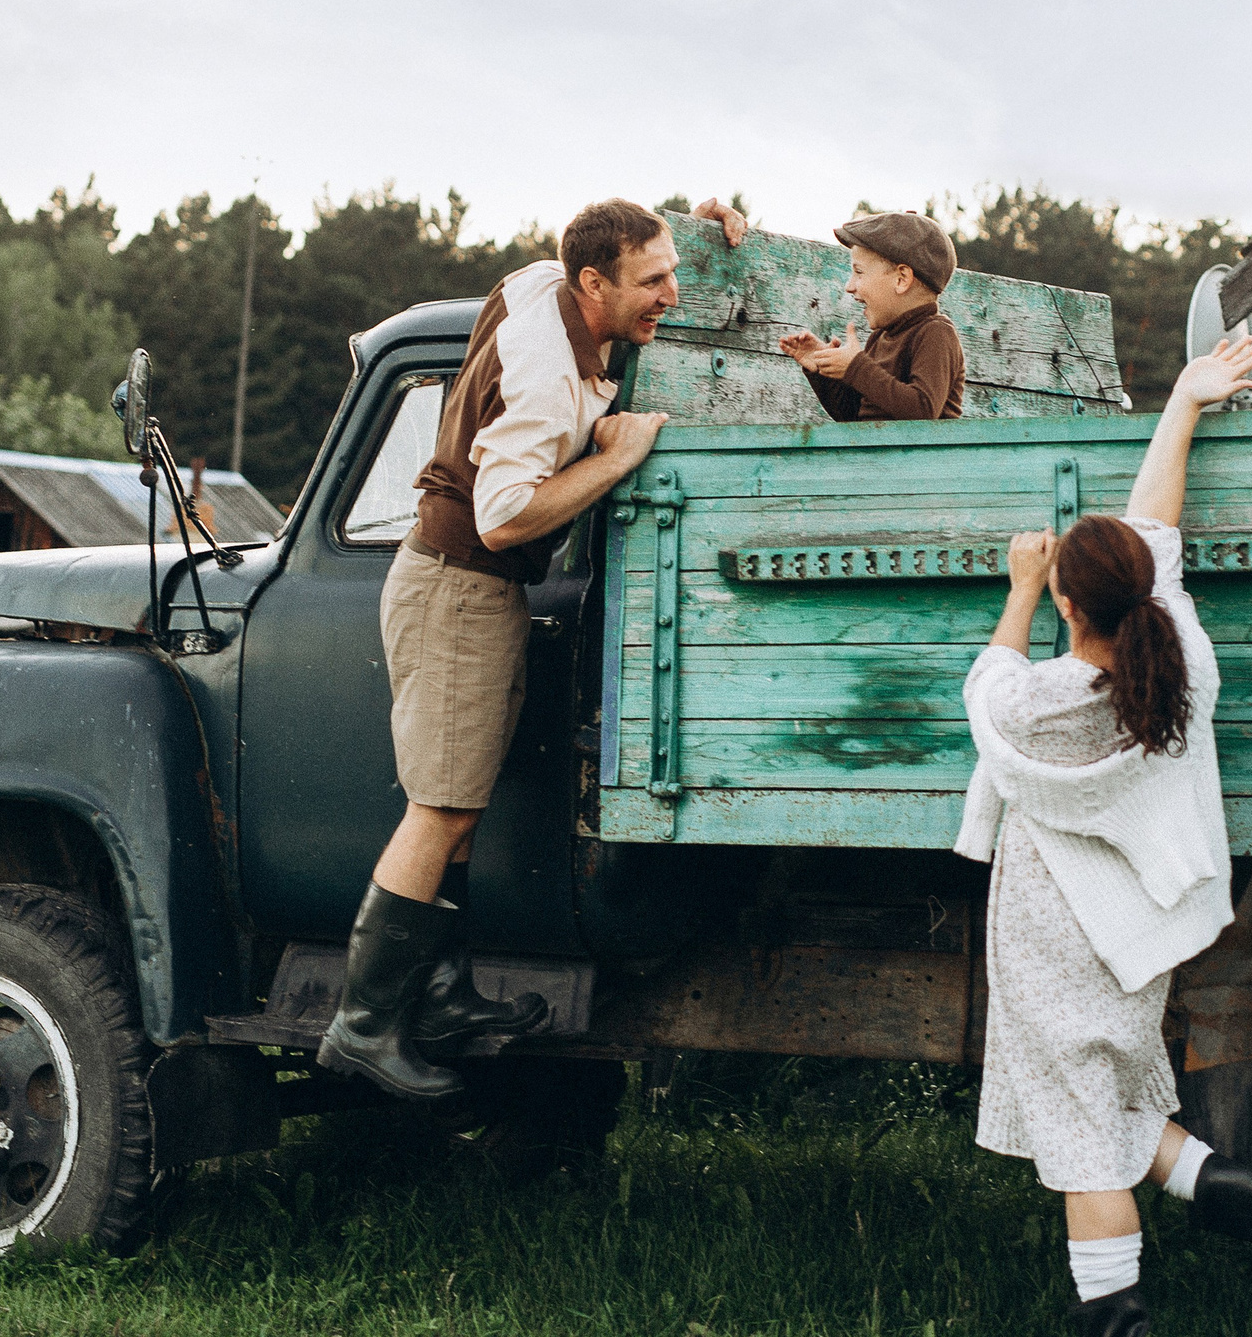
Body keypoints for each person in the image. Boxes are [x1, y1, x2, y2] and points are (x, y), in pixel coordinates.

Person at [955, 335, 1252, 1337]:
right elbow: (1157, 530)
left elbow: (984, 684)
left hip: (1054, 933)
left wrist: (1016, 592)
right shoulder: (1180, 661)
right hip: (1135, 935)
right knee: (1125, 1114)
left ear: (1069, 603)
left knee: (1089, 1153)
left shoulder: (1035, 705)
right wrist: (1182, 401)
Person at [318, 195, 749, 1100]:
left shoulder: (539, 282)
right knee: (439, 810)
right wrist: (614, 459)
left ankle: (440, 996)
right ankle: (361, 1027)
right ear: (593, 284)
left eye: (671, 272)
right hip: (459, 584)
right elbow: (504, 515)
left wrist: (698, 219)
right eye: (655, 280)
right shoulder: (549, 380)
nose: (671, 293)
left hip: (475, 590)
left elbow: (604, 236)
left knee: (462, 805)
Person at [777, 211, 966, 421]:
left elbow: (922, 410)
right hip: (875, 444)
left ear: (901, 279)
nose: (849, 286)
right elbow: (854, 417)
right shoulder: (879, 339)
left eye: (859, 272)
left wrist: (856, 368)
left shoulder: (936, 333)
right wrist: (823, 370)